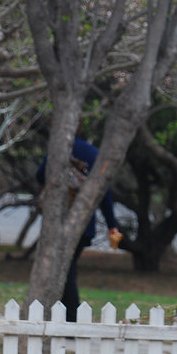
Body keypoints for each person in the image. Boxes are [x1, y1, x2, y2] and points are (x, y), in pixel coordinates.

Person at [35, 135, 120, 322]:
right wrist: (111, 224)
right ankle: (66, 316)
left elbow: (40, 174)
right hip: (83, 223)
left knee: (65, 272)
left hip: (58, 219)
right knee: (67, 269)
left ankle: (71, 318)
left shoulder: (58, 148)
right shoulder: (94, 153)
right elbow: (104, 192)